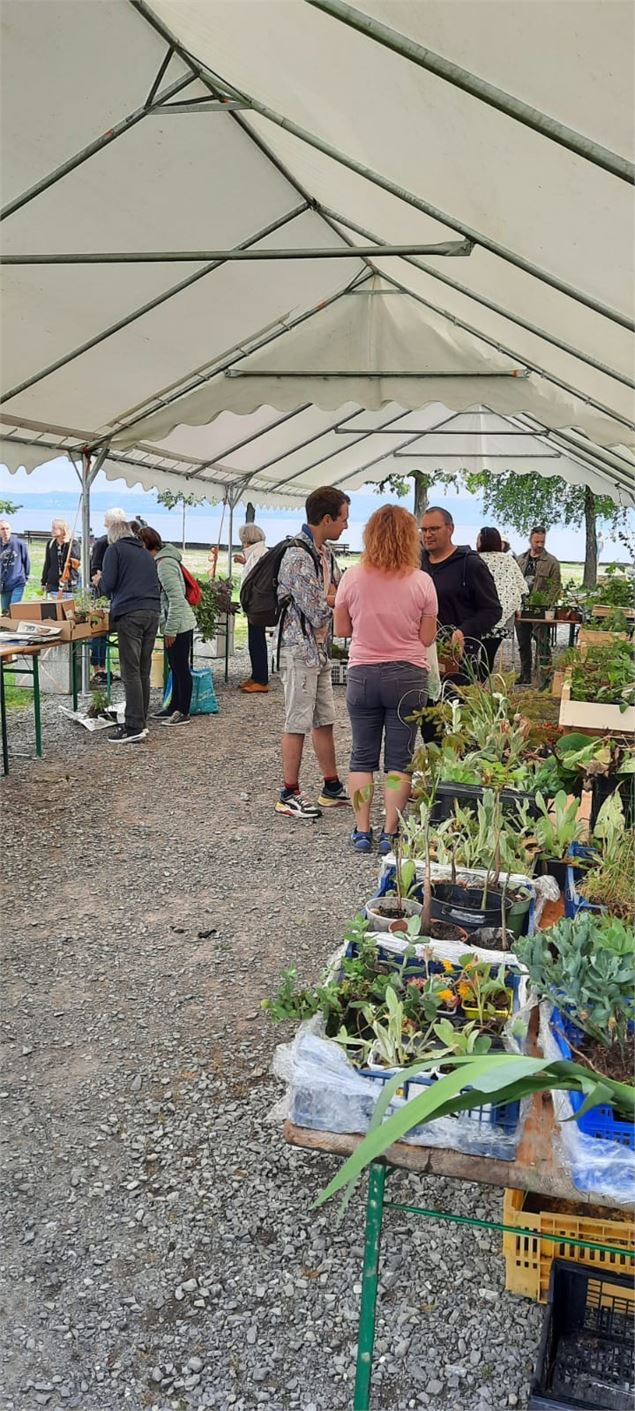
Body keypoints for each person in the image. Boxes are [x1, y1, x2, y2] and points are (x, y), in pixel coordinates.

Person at [334, 505, 438, 854]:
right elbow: (426, 639)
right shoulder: (422, 581)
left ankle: (362, 830)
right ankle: (390, 833)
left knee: (361, 757)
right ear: (410, 538)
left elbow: (341, 629)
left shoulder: (352, 577)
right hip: (407, 676)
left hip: (362, 673)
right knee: (399, 759)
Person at [275, 486, 351, 819]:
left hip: (317, 649)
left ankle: (330, 785)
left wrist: (334, 597)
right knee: (296, 720)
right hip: (298, 649)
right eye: (343, 519)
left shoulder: (323, 552)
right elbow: (319, 609)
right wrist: (336, 599)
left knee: (324, 718)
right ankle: (288, 792)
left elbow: (338, 590)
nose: (346, 526)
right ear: (326, 518)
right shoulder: (297, 556)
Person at [420, 506, 500, 684]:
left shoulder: (470, 564)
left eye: (434, 529)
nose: (428, 535)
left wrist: (464, 631)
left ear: (450, 529)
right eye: (424, 530)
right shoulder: (417, 563)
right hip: (420, 658)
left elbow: (492, 610)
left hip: (457, 660)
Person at [100, 509, 160, 744]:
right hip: (152, 612)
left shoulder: (114, 550)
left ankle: (134, 725)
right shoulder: (145, 553)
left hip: (130, 613)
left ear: (113, 536)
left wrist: (99, 581)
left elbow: (108, 584)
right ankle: (141, 719)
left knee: (130, 670)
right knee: (142, 669)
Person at [139, 527, 196, 724]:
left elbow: (176, 599)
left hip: (179, 624)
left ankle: (183, 711)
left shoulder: (164, 565)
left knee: (181, 668)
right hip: (175, 622)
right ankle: (173, 706)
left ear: (146, 544)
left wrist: (170, 629)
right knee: (175, 666)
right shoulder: (164, 561)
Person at [476, 526, 529, 674]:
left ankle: (470, 687)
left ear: (482, 541)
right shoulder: (508, 560)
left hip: (475, 617)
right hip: (501, 617)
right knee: (489, 656)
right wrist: (517, 608)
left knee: (471, 653)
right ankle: (480, 685)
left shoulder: (474, 559)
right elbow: (519, 587)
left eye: (478, 538)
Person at [515, 525, 562, 686]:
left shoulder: (552, 562)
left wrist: (546, 605)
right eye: (537, 541)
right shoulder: (520, 560)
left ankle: (544, 677)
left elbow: (555, 587)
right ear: (530, 540)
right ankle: (525, 674)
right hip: (521, 608)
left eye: (542, 541)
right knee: (523, 644)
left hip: (540, 610)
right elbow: (514, 583)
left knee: (542, 643)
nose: (540, 545)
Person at [234, 524, 269, 693]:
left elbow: (255, 578)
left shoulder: (258, 553)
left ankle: (261, 679)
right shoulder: (258, 553)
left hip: (257, 603)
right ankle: (256, 675)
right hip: (255, 603)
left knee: (257, 641)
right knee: (254, 640)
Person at [89, 528, 109, 683]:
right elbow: (94, 571)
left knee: (104, 633)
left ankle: (102, 667)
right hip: (101, 595)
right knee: (98, 631)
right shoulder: (102, 543)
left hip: (113, 597)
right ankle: (98, 667)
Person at [41, 519, 80, 595]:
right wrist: (43, 581)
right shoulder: (51, 543)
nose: (52, 530)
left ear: (62, 530)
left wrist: (68, 544)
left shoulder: (73, 543)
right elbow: (47, 563)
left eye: (54, 528)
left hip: (68, 581)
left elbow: (76, 560)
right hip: (53, 582)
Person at [0, 519, 30, 613]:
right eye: (2, 529)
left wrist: (26, 577)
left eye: (7, 528)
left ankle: (14, 626)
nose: (5, 531)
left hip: (17, 581)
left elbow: (26, 561)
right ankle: (6, 627)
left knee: (14, 608)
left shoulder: (19, 544)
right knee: (5, 611)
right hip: (4, 584)